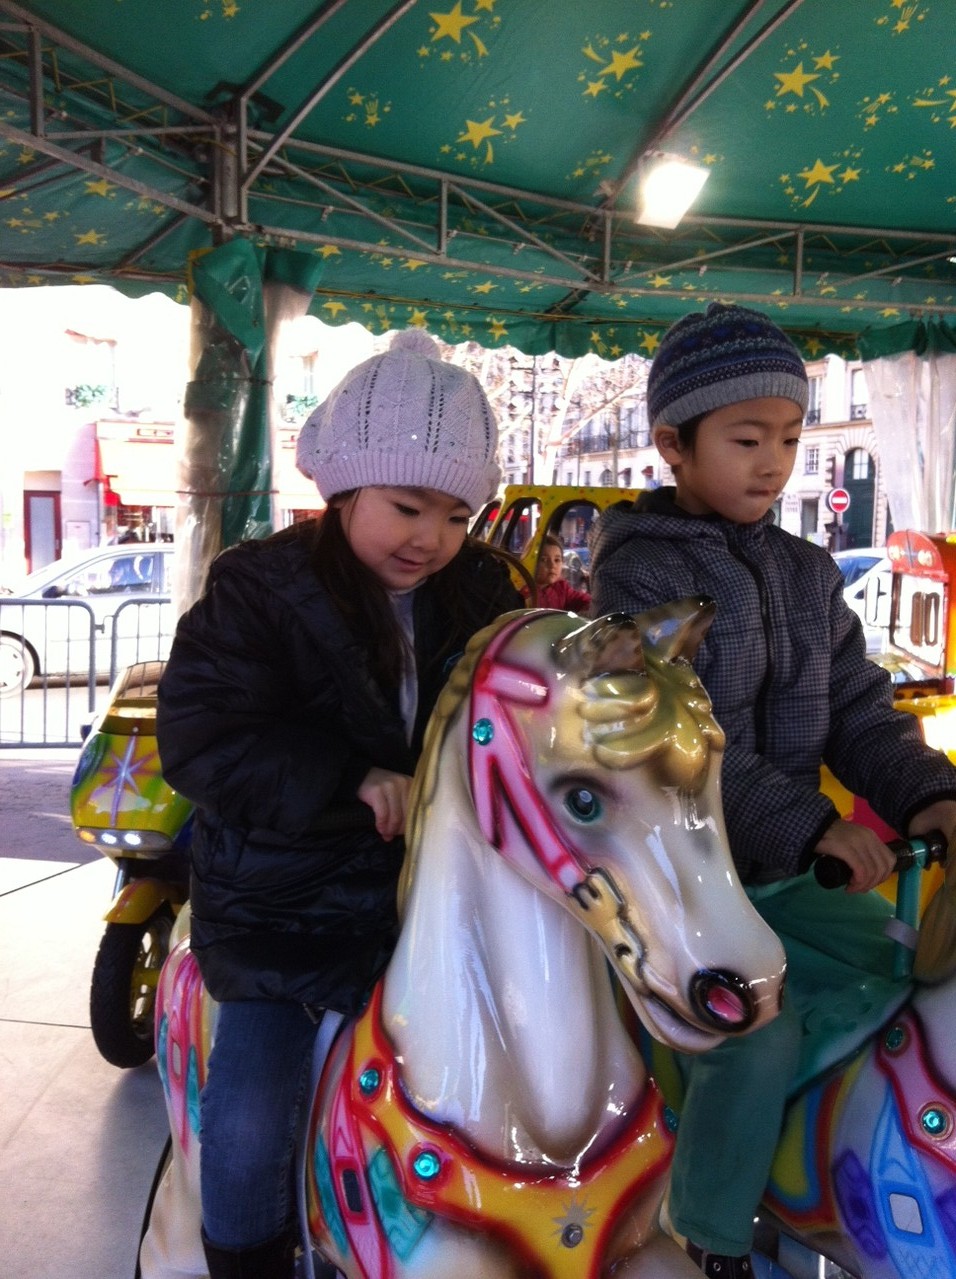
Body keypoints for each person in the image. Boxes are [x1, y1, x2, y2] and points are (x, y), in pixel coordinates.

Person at [588, 302, 956, 1279]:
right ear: (673, 443)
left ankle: (833, 1179)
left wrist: (926, 794)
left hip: (787, 875)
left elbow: (858, 709)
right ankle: (706, 1233)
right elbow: (678, 734)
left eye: (788, 438)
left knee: (904, 980)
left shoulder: (802, 571)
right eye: (745, 439)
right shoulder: (640, 574)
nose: (772, 461)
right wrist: (811, 826)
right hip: (676, 879)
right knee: (755, 1029)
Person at [155, 330, 523, 1279]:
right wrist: (346, 778)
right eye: (407, 506)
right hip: (285, 909)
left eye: (455, 513)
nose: (431, 537)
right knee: (250, 1116)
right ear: (345, 490)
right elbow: (203, 736)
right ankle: (246, 1257)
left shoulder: (480, 589)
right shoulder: (258, 590)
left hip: (431, 907)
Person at [530, 532, 591, 612]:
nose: (552, 565)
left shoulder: (561, 587)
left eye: (557, 560)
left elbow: (582, 600)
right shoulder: (525, 592)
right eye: (543, 560)